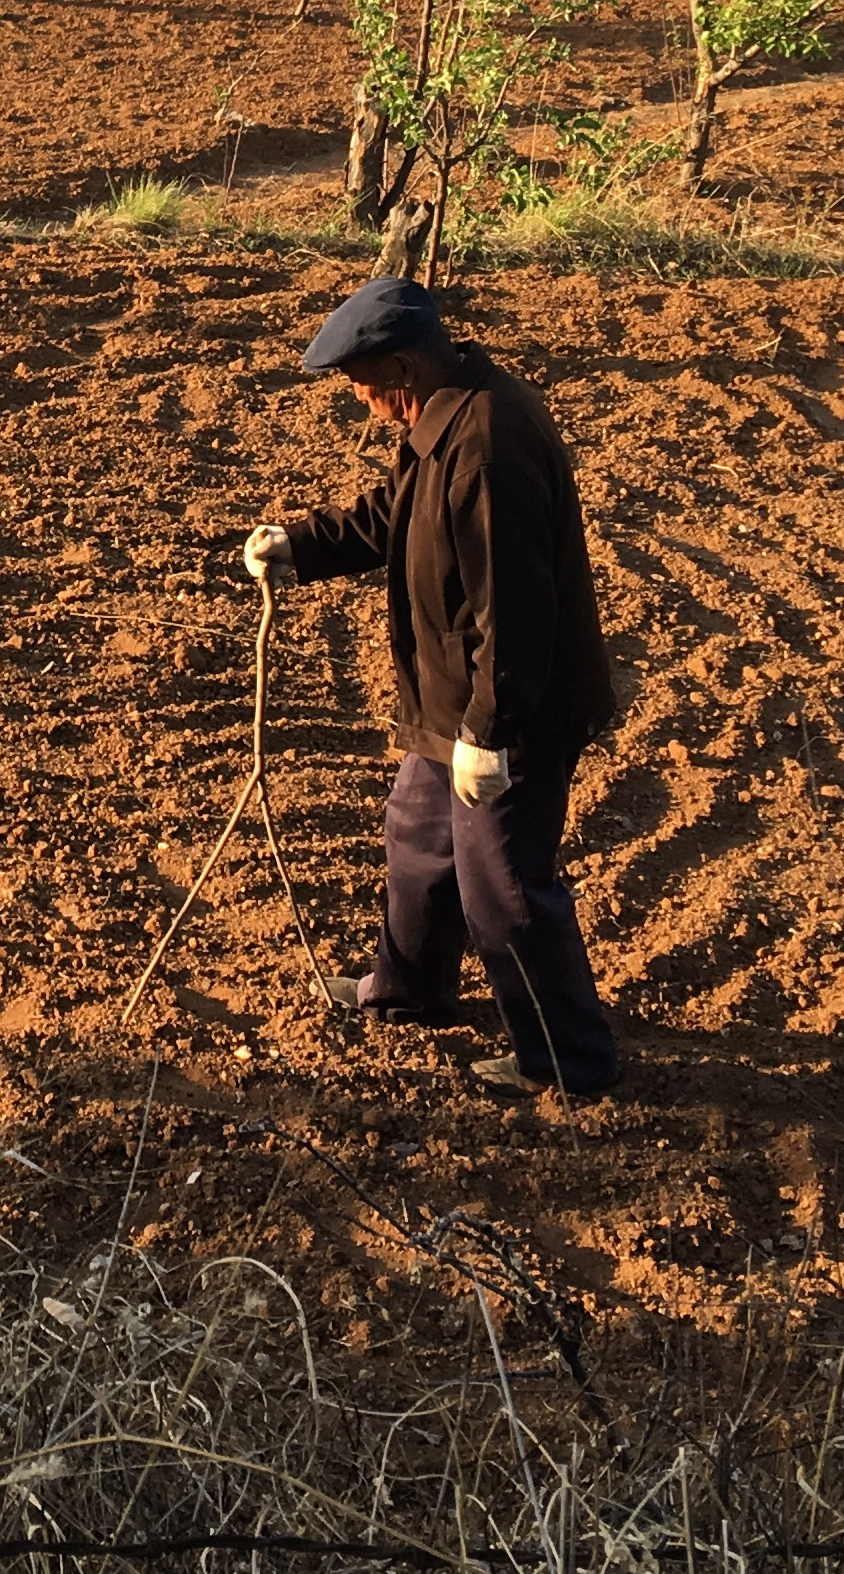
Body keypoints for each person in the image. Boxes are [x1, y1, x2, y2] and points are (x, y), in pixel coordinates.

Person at [236, 274, 626, 1095]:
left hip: (510, 709)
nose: (362, 404)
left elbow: (514, 611)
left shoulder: (486, 447)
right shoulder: (444, 416)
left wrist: (491, 734)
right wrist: (300, 548)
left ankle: (567, 1060)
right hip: (455, 697)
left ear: (404, 372)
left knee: (505, 887)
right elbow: (396, 515)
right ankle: (409, 989)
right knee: (419, 839)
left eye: (365, 389)